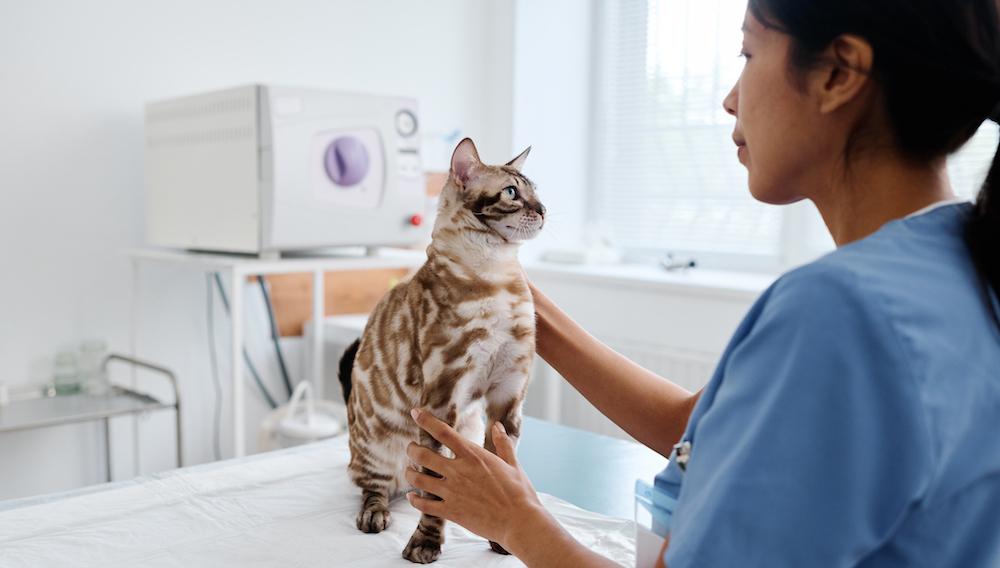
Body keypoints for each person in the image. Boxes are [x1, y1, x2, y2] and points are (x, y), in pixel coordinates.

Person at [405, 0, 1000, 565]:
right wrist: (514, 299)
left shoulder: (839, 312)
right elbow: (706, 430)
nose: (729, 100)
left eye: (747, 54)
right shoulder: (958, 266)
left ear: (838, 73)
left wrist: (515, 520)